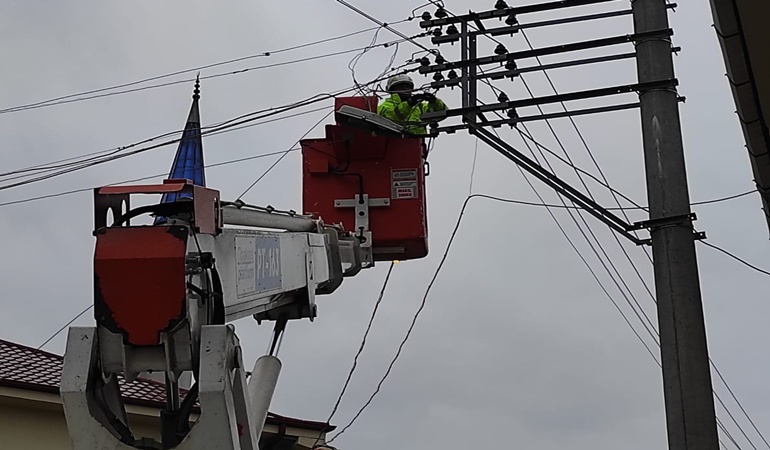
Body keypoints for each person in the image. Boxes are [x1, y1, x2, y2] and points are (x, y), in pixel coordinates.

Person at [377, 75, 447, 135]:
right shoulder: (384, 106)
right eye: (400, 87)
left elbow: (442, 112)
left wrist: (434, 101)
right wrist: (409, 104)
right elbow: (393, 116)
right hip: (395, 144)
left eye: (407, 87)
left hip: (417, 145)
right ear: (391, 90)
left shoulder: (419, 107)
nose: (405, 89)